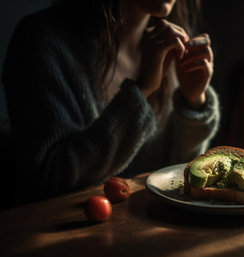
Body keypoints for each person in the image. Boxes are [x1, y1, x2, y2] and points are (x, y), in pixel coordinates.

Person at [2, 0, 219, 204]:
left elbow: (178, 174)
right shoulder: (41, 40)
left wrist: (193, 101)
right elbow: (49, 182)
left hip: (147, 228)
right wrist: (141, 89)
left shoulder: (171, 44)